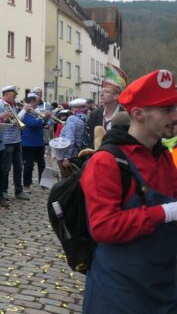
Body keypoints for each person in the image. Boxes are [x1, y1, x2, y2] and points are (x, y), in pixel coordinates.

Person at [80, 69, 177, 313]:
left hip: (161, 282)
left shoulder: (162, 154)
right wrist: (164, 213)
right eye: (167, 110)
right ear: (138, 114)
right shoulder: (106, 162)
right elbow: (103, 227)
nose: (176, 115)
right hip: (119, 289)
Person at [86, 64, 128, 145]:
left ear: (116, 96)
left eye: (107, 92)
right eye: (101, 91)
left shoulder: (125, 116)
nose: (101, 94)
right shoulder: (94, 115)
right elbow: (91, 141)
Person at [0, 85, 29, 201]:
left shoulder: (12, 105)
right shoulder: (2, 105)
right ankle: (4, 190)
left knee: (18, 167)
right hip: (7, 141)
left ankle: (19, 191)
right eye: (14, 94)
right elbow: (15, 121)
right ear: (7, 94)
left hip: (16, 140)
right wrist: (24, 110)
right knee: (6, 168)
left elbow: (16, 122)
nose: (16, 96)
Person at [21, 93, 49, 191]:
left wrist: (46, 119)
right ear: (32, 102)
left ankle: (43, 183)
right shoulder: (24, 114)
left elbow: (40, 124)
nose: (38, 104)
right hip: (29, 143)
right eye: (37, 102)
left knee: (42, 164)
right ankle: (26, 185)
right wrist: (42, 118)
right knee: (29, 165)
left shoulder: (35, 112)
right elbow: (33, 123)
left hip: (39, 142)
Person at [59, 98, 90, 176]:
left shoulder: (72, 119)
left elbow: (69, 139)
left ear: (75, 108)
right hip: (84, 154)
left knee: (69, 182)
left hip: (73, 156)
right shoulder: (87, 118)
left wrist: (67, 158)